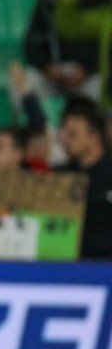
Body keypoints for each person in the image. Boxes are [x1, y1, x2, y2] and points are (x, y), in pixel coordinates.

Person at [58, 100, 112, 259]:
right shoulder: (60, 175)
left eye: (73, 133)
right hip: (66, 261)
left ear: (94, 137)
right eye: (64, 133)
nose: (65, 140)